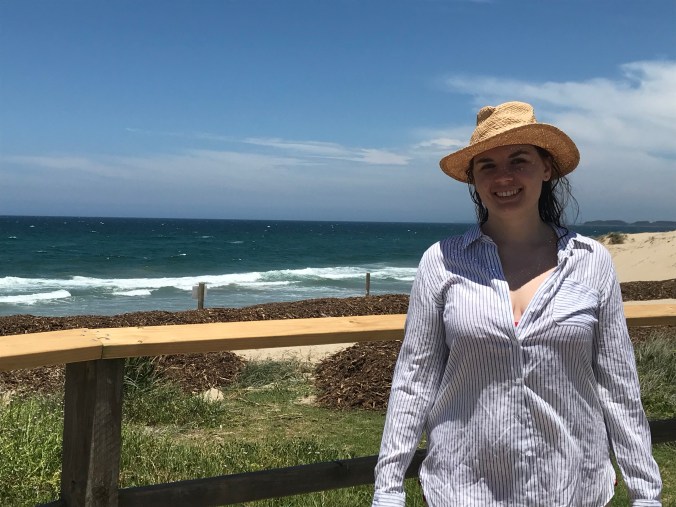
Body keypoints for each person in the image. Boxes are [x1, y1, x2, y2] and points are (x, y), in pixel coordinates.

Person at [372, 101, 662, 506]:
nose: (503, 176)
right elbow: (414, 379)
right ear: (474, 179)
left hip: (572, 486)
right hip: (463, 487)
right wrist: (388, 489)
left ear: (546, 168)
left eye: (519, 160)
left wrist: (645, 493)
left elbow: (618, 384)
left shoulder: (591, 261)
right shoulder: (441, 261)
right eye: (487, 165)